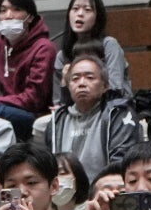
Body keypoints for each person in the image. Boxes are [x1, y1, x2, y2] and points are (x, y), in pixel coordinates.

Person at [35, 50, 138, 179]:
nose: (81, 83)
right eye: (75, 79)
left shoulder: (118, 114)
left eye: (90, 78)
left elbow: (120, 164)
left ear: (105, 86)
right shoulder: (58, 119)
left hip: (106, 187)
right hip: (65, 190)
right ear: (68, 86)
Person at [0, 0, 55, 140]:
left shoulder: (44, 48)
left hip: (34, 115)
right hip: (6, 109)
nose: (8, 15)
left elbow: (33, 99)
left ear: (30, 17)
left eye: (16, 9)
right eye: (3, 11)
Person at [50, 0, 132, 108]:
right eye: (75, 9)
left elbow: (115, 89)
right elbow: (58, 102)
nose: (80, 14)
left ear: (98, 17)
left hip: (111, 109)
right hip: (74, 111)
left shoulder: (109, 45)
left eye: (87, 10)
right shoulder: (62, 56)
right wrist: (64, 82)